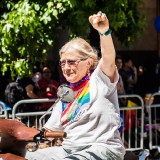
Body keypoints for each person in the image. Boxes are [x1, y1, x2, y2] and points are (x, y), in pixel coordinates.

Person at [25, 11, 125, 160]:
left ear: (89, 62)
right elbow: (48, 130)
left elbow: (109, 57)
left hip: (102, 148)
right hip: (69, 149)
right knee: (24, 156)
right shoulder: (65, 94)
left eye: (71, 62)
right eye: (63, 63)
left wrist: (104, 32)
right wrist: (22, 134)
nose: (66, 67)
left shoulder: (100, 79)